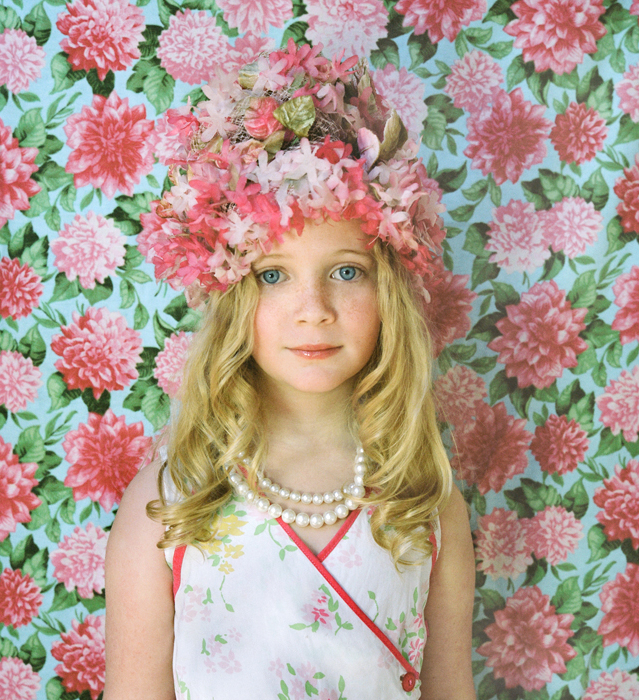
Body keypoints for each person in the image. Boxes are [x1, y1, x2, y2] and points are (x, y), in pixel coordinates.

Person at [104, 41, 475, 700]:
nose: (315, 311)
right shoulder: (170, 506)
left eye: (346, 272)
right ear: (230, 290)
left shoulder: (427, 501)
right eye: (273, 274)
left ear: (387, 287)